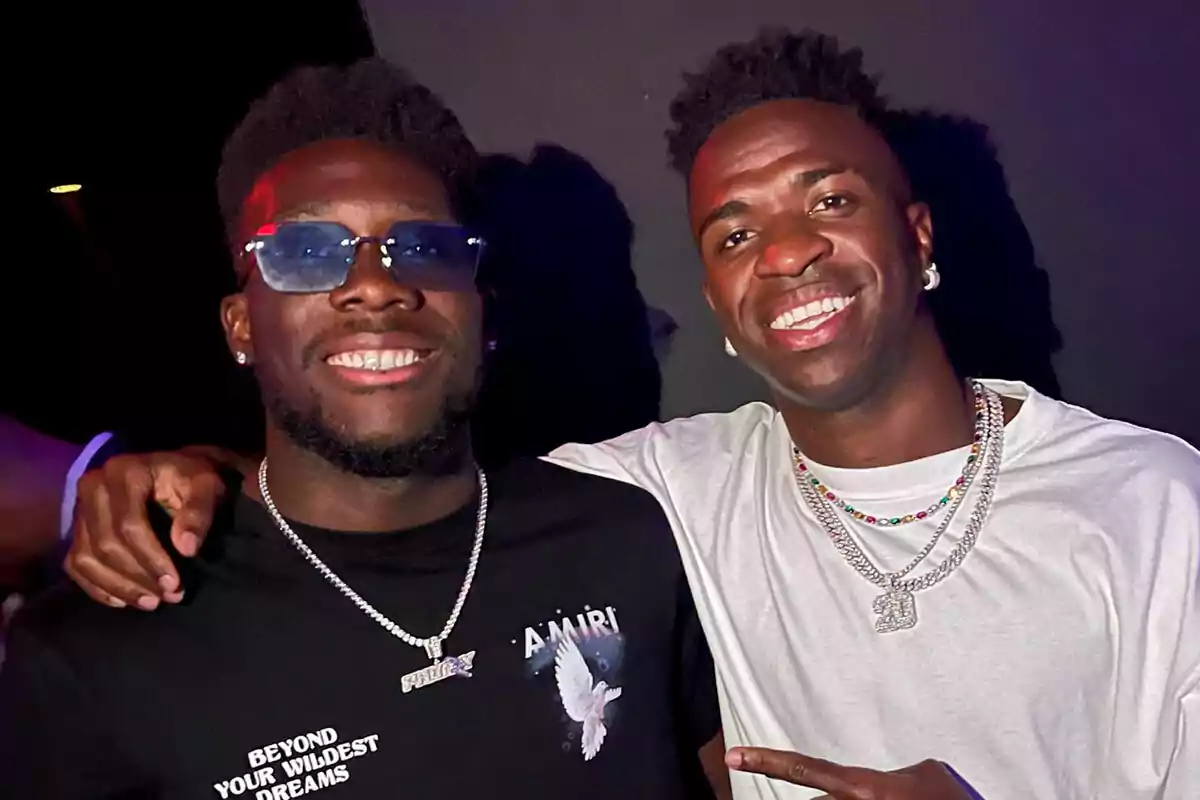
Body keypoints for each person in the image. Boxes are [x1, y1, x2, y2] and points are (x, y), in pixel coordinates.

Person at [29, 28, 1200, 800]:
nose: (787, 252)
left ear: (920, 237)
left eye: (829, 199)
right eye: (734, 232)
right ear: (718, 300)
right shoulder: (667, 491)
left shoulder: (1149, 502)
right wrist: (145, 474)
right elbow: (378, 476)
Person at [0, 59, 729, 800]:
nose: (376, 285)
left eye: (426, 248)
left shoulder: (626, 538)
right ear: (240, 325)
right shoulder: (92, 659)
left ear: (485, 314)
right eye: (305, 252)